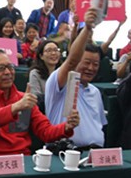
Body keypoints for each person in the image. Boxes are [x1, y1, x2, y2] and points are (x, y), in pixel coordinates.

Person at [0, 49, 79, 155]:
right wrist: (17, 107)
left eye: (10, 67)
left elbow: (45, 131)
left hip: (21, 159)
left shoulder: (23, 99)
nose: (7, 72)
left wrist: (66, 127)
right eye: (0, 68)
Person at [44, 9, 107, 148]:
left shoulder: (95, 92)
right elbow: (71, 61)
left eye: (95, 64)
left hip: (95, 154)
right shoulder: (59, 83)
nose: (91, 68)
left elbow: (99, 125)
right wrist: (87, 28)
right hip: (64, 152)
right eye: (87, 62)